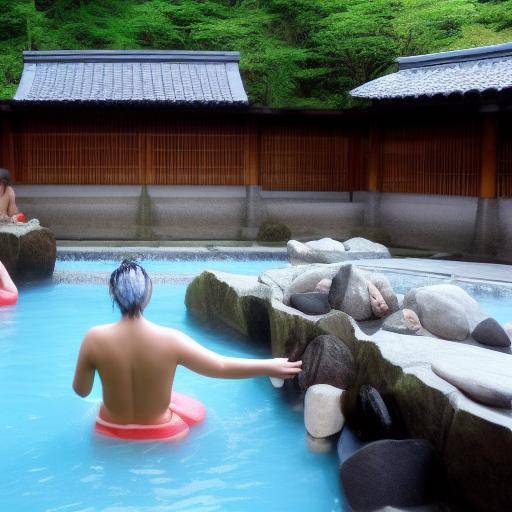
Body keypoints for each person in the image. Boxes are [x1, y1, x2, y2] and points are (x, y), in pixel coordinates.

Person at [73, 260, 302, 436]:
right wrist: (269, 366)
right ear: (147, 295)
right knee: (192, 410)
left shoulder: (93, 338)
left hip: (109, 431)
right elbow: (221, 366)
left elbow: (81, 391)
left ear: (114, 294)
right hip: (163, 434)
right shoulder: (170, 339)